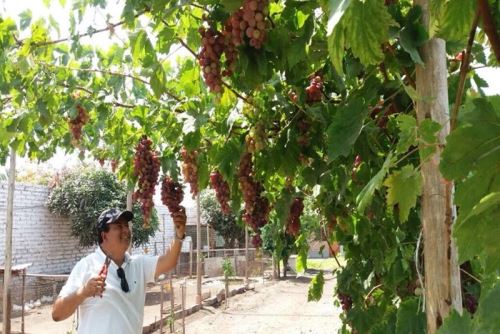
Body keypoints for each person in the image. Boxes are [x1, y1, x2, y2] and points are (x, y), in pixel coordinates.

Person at [52, 207, 186, 333]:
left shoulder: (138, 264)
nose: (126, 230)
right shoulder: (87, 265)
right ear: (104, 236)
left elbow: (169, 261)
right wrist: (83, 293)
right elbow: (57, 314)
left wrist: (179, 235)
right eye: (118, 226)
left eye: (126, 225)